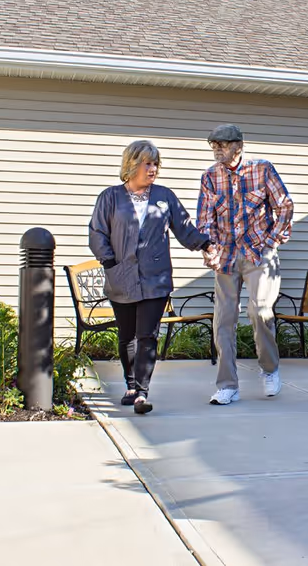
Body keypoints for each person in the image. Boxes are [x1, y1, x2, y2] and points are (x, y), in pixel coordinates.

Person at [89, 140, 215, 414]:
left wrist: (205, 244)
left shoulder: (164, 196)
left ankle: (141, 393)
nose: (153, 169)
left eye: (156, 163)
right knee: (126, 336)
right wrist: (109, 260)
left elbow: (183, 228)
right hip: (121, 276)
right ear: (132, 164)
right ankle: (131, 384)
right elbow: (97, 232)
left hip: (155, 278)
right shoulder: (110, 197)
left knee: (147, 335)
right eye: (147, 163)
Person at [196, 124, 294, 405]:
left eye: (223, 145)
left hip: (258, 255)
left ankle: (270, 369)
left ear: (239, 145)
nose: (217, 150)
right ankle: (228, 385)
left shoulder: (261, 170)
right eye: (213, 145)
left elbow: (284, 205)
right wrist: (209, 248)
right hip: (225, 257)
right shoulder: (210, 177)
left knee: (259, 311)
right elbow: (204, 218)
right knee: (223, 321)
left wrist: (272, 241)